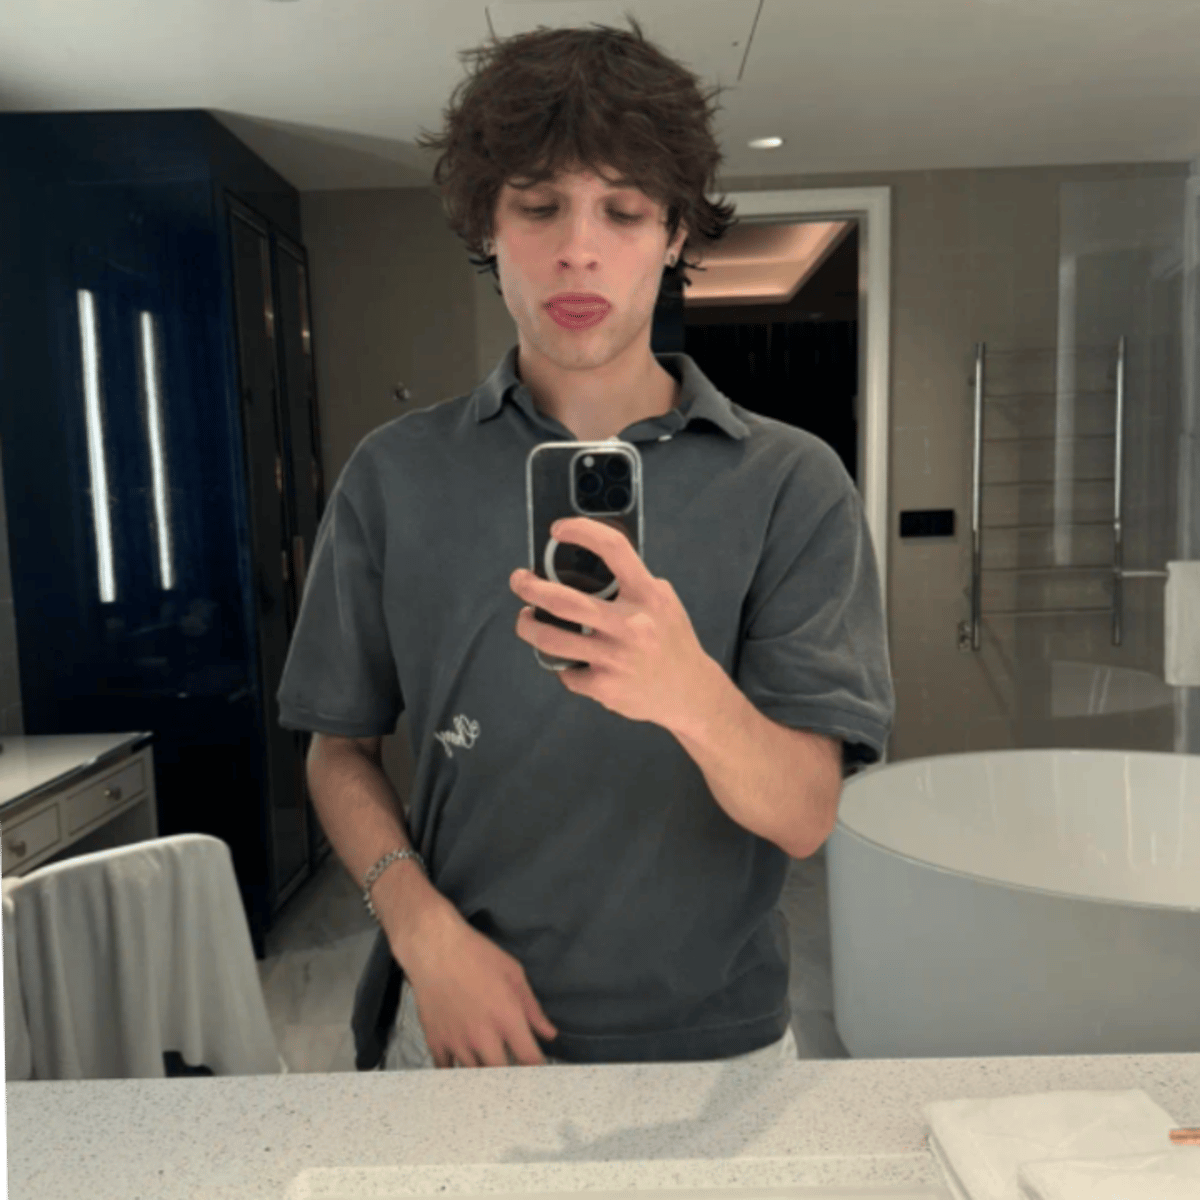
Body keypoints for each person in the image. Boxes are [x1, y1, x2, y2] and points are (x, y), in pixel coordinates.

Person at [276, 16, 894, 1071]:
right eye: (538, 205)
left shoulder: (792, 485)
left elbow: (803, 817)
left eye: (624, 208)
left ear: (677, 234)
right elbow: (338, 747)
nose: (578, 247)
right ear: (487, 226)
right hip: (462, 1030)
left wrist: (686, 692)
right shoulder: (395, 475)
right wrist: (419, 931)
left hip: (717, 1051)